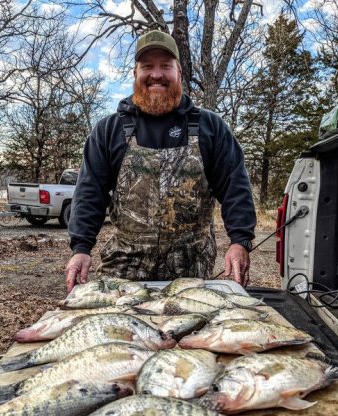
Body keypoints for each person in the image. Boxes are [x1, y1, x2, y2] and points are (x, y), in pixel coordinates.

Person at [66, 30, 256, 292]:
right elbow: (89, 192)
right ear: (135, 74)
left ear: (179, 72)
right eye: (147, 66)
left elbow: (236, 186)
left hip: (191, 274)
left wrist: (240, 241)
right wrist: (81, 247)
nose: (156, 74)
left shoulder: (209, 126)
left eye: (165, 66)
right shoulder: (109, 130)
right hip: (123, 272)